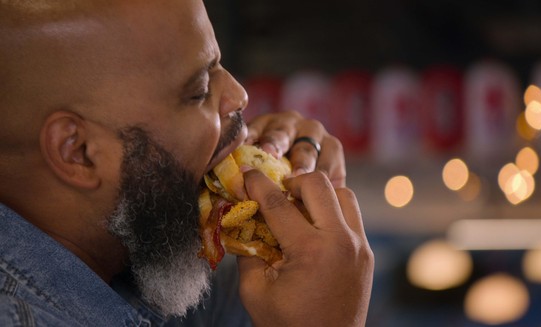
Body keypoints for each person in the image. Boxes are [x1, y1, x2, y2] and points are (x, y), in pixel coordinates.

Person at [0, 0, 374, 326]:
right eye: (198, 91)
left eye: (219, 64)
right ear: (79, 152)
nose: (239, 96)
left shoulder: (143, 241)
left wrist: (304, 224)